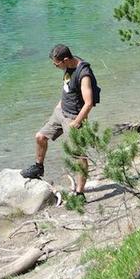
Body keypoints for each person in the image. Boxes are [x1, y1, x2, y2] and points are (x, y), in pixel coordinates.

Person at [21, 44, 98, 202]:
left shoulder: (84, 75)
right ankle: (38, 167)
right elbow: (68, 89)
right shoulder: (68, 66)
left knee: (78, 155)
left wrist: (77, 122)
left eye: (56, 64)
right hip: (61, 112)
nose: (54, 66)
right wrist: (58, 106)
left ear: (65, 60)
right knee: (40, 137)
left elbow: (88, 103)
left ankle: (80, 192)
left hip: (74, 118)